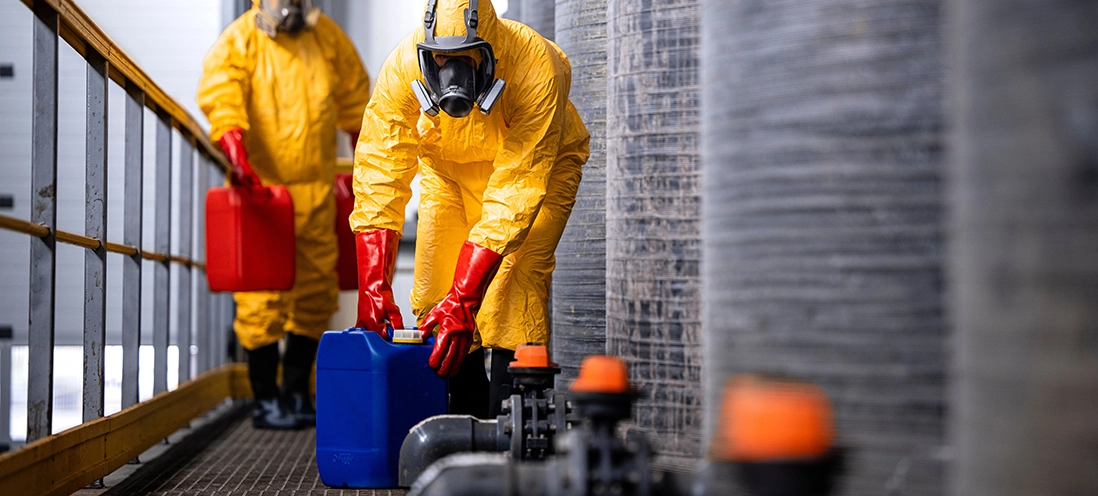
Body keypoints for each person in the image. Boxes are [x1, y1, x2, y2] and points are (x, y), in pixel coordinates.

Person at [350, 0, 589, 418]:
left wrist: (465, 299)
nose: (453, 75)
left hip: (541, 171)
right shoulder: (403, 69)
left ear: (490, 50)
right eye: (442, 60)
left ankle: (513, 418)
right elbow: (379, 170)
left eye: (467, 58)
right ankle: (465, 417)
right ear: (427, 53)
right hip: (449, 174)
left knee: (513, 288)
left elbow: (517, 188)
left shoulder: (535, 66)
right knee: (435, 291)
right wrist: (372, 286)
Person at [197, 0, 371, 429]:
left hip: (316, 192)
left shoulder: (327, 38)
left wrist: (365, 153)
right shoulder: (241, 41)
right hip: (262, 194)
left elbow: (357, 100)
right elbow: (222, 95)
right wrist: (234, 147)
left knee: (316, 293)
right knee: (261, 298)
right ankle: (265, 399)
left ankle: (296, 393)